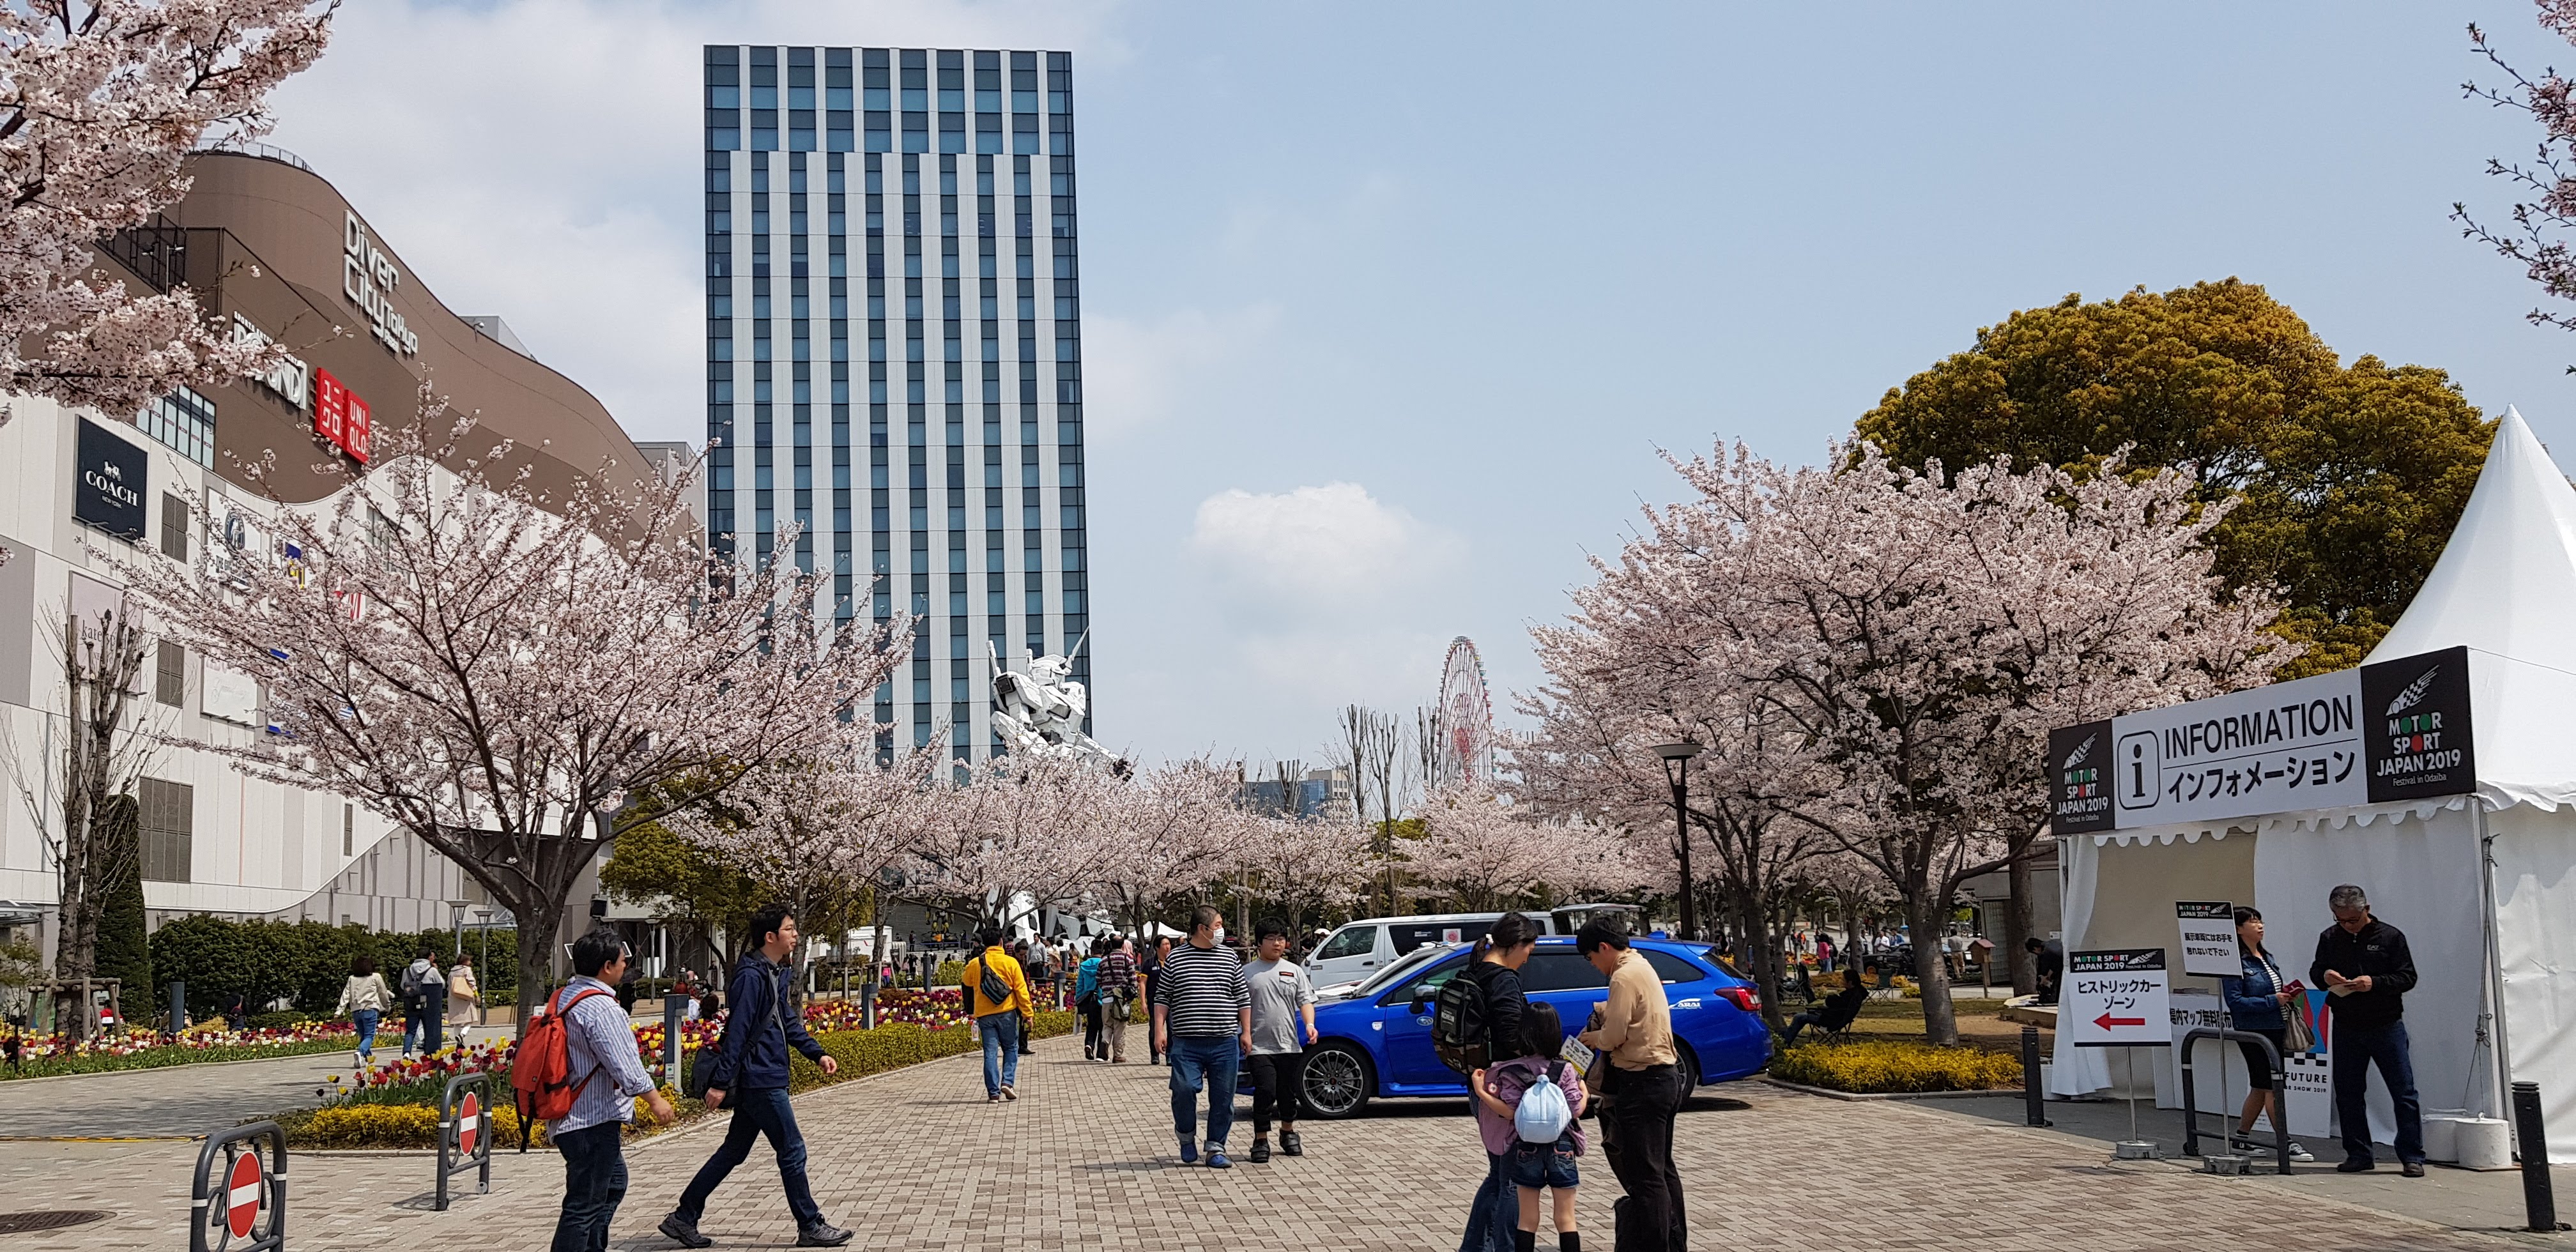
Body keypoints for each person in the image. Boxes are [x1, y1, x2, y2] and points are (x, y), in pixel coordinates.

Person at [660, 906, 850, 1248]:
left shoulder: (773, 972)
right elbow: (739, 1030)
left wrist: (817, 1053)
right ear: (770, 937)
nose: (795, 935)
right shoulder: (751, 976)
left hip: (764, 1074)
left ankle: (683, 1217)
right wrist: (720, 1083)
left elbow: (786, 1021)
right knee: (792, 1149)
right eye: (789, 929)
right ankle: (810, 1225)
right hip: (760, 1078)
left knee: (734, 1151)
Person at [548, 927, 677, 1252]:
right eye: (622, 961)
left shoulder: (566, 996)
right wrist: (655, 1100)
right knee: (584, 1203)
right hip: (590, 1119)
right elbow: (625, 1065)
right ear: (607, 966)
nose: (624, 966)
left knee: (613, 1184)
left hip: (573, 1115)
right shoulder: (602, 1008)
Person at [1576, 917, 1684, 1252]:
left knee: (1646, 1177)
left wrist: (1593, 1038)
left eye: (1592, 958)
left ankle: (1656, 1245)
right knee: (1663, 1170)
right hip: (1664, 1078)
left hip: (1641, 1082)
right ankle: (1675, 1243)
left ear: (1604, 947)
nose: (1594, 966)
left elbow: (1614, 1036)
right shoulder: (1642, 965)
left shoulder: (1623, 976)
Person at [2310, 884, 2424, 1176]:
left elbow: (2407, 977)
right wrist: (2326, 976)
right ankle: (2358, 1154)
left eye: (2353, 920)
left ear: (2367, 910)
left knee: (2404, 1093)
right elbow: (2316, 971)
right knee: (2348, 1093)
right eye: (2340, 920)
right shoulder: (2330, 937)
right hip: (2346, 1025)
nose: (2347, 926)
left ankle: (2412, 1156)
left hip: (2386, 1025)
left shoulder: (2390, 937)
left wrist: (2374, 983)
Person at [1471, 1001, 1586, 1252]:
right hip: (1562, 1145)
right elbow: (1576, 1110)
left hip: (1526, 1147)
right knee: (1566, 1218)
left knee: (1527, 1218)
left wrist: (1481, 1092)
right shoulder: (1565, 1069)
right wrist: (1584, 1090)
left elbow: (1510, 1112)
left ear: (1523, 1033)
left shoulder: (1512, 1070)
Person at [1458, 913, 1540, 1252]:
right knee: (1512, 1180)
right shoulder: (1504, 979)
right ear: (1516, 944)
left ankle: (1475, 1247)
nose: (1528, 957)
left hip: (1480, 1080)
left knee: (1498, 1174)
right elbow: (1511, 1036)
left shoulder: (1475, 970)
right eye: (1529, 949)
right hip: (1504, 1085)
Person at [1151, 905, 1251, 1167]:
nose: (1221, 930)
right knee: (1183, 1090)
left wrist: (1246, 1032)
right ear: (1202, 929)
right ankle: (1186, 1137)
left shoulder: (1230, 957)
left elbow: (1242, 997)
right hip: (1186, 1042)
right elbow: (1162, 997)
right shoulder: (1176, 958)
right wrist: (1159, 1030)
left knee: (1223, 1098)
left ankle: (1216, 1147)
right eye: (1217, 925)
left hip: (1225, 1040)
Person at [2219, 906, 2314, 1163]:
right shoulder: (2235, 962)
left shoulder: (2266, 956)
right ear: (2238, 929)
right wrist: (2273, 1000)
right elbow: (2235, 1002)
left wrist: (2286, 996)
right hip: (2253, 1032)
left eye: (2260, 920)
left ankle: (2242, 1137)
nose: (2260, 925)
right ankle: (2285, 1141)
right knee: (2272, 1085)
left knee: (2261, 1086)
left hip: (2275, 1027)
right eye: (2252, 922)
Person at [1243, 917, 1319, 1164]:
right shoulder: (1246, 973)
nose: (1277, 944)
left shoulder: (1294, 970)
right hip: (1258, 1046)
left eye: (1281, 939)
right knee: (1265, 1091)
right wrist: (1243, 1033)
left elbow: (1305, 1001)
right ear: (1259, 942)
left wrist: (1310, 1025)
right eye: (1271, 939)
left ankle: (1288, 1132)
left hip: (1288, 1044)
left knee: (1287, 1093)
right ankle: (1261, 1139)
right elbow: (1238, 1007)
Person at [963, 927, 1032, 1102]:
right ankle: (1007, 1082)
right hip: (1007, 1012)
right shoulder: (1011, 962)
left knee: (990, 1052)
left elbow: (966, 982)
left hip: (985, 1014)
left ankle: (993, 1093)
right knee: (1011, 1048)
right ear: (1001, 942)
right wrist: (1028, 1014)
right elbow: (1021, 990)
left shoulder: (976, 963)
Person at [1777, 968, 1867, 1049]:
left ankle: (1785, 1041)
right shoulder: (1856, 994)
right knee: (1801, 1017)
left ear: (1850, 982)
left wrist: (1827, 1003)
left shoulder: (1850, 996)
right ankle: (1785, 1036)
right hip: (1835, 1018)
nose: (1841, 981)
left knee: (1799, 1017)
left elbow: (1834, 1004)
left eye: (1843, 980)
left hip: (1830, 1021)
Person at [333, 956, 393, 1068]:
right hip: (370, 1008)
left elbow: (346, 994)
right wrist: (387, 1006)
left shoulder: (352, 978)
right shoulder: (375, 977)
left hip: (356, 1011)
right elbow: (383, 993)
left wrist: (339, 1011)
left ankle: (367, 1058)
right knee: (370, 1036)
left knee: (363, 1035)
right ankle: (360, 1052)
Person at [1098, 933, 1138, 1063]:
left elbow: (1098, 978)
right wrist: (1133, 993)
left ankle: (1105, 1042)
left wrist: (1106, 988)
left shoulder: (1104, 960)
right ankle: (1118, 1055)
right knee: (1120, 1027)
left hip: (1106, 998)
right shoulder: (1128, 959)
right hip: (1121, 999)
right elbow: (1133, 979)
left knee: (1107, 1024)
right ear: (1123, 945)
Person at [399, 948, 444, 1057]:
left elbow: (402, 985)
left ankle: (407, 1052)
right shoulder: (432, 970)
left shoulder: (407, 970)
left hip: (412, 1002)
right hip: (429, 1002)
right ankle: (429, 1052)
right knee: (430, 1028)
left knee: (410, 1030)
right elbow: (441, 984)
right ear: (428, 957)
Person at [1141, 935, 1173, 1065]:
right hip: (1155, 1002)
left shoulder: (1173, 963)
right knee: (1155, 1028)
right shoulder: (1150, 964)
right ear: (1157, 947)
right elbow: (1142, 983)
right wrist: (1143, 1002)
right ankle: (1155, 1055)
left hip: (1172, 1001)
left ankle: (1170, 1055)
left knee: (1172, 1028)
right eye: (1165, 944)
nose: (1168, 947)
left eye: (1169, 944)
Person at [1075, 943, 1106, 1061]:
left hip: (1089, 999)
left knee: (1091, 1024)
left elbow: (1080, 985)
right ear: (1102, 951)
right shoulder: (1104, 964)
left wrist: (1079, 999)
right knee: (1103, 1026)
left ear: (1091, 951)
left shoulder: (1084, 965)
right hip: (1102, 999)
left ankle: (1089, 1045)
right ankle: (1100, 1054)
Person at [447, 952, 480, 1042]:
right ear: (465, 961)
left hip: (454, 997)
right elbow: (472, 983)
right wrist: (476, 995)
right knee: (470, 1019)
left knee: (457, 1021)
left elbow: (449, 984)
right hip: (465, 996)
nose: (470, 962)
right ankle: (462, 1034)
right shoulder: (466, 970)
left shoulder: (452, 971)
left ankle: (458, 1040)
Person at [2027, 936, 2062, 1005]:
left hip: (2061, 970)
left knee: (2056, 987)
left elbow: (2045, 970)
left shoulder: (2045, 953)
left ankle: (2054, 999)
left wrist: (2044, 979)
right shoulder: (2054, 942)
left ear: (2035, 949)